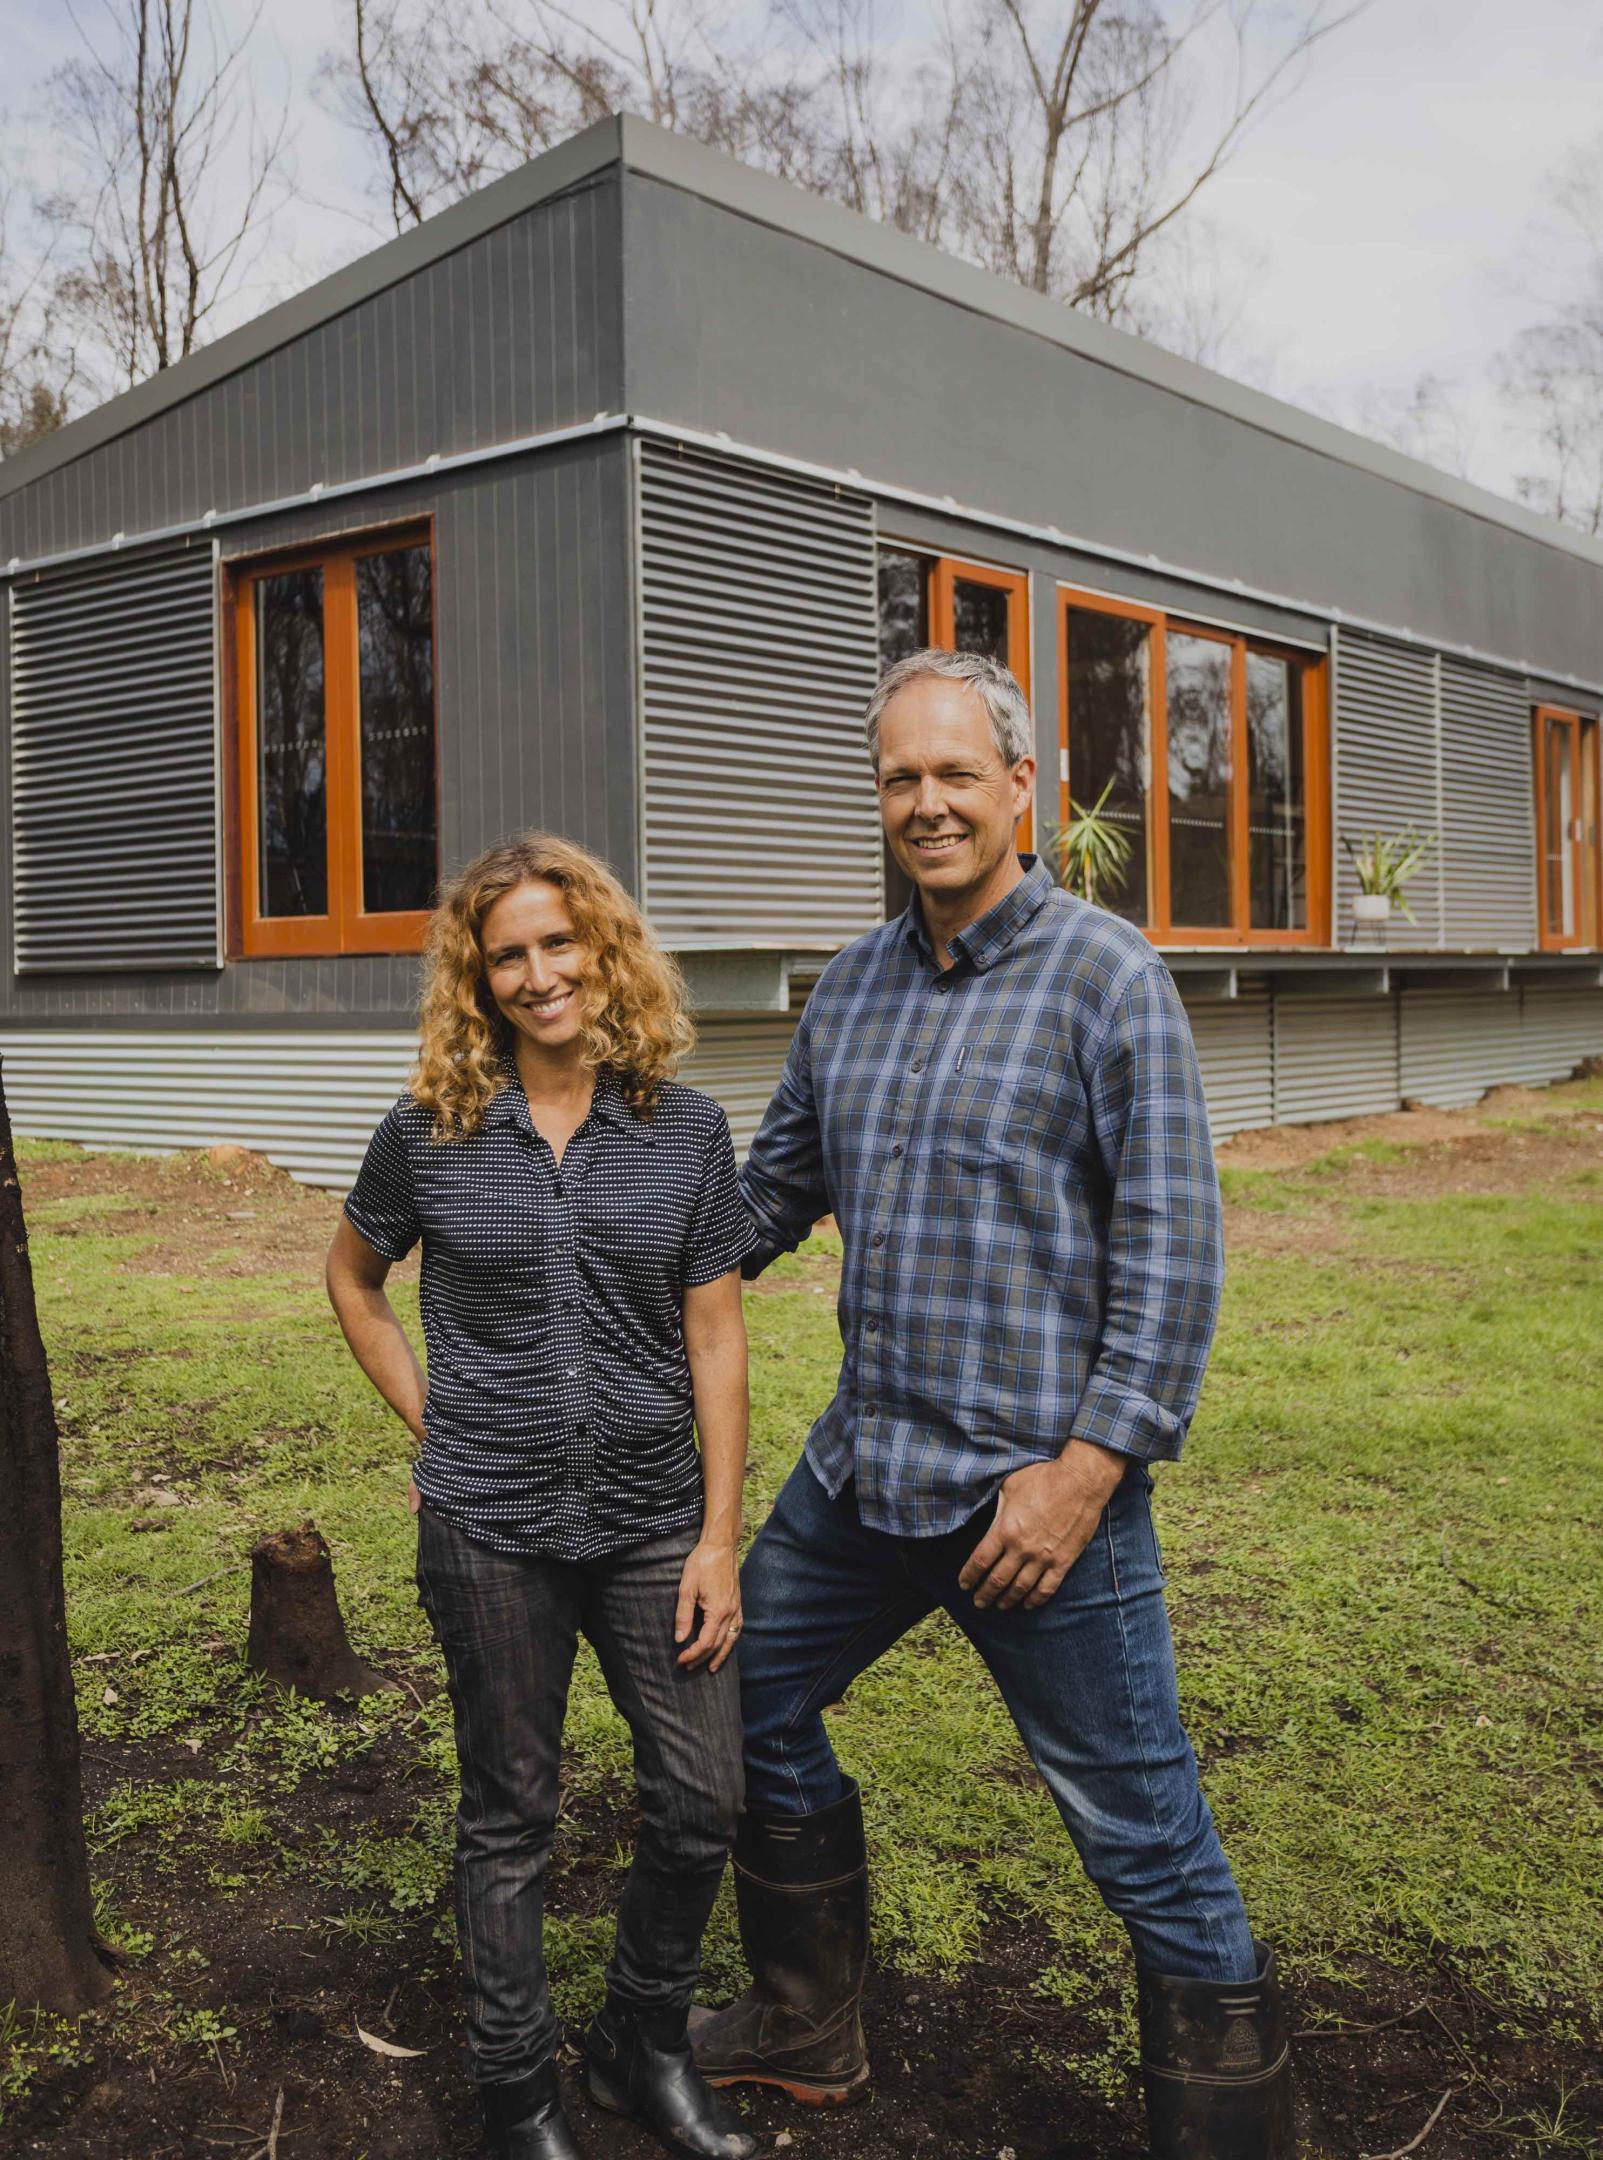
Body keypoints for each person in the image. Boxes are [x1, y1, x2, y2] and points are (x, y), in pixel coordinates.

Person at [690, 651, 1294, 2159]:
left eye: (957, 774)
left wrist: (1085, 1474)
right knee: (738, 1703)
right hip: (866, 1477)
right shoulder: (853, 990)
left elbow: (1174, 1252)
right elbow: (767, 1197)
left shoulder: (1108, 978)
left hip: (1040, 1504)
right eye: (901, 779)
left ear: (1022, 790)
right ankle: (808, 2023)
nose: (927, 803)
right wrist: (601, 1209)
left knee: (1142, 1833)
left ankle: (1230, 2132)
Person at [326, 834, 760, 2160]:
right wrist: (433, 1417)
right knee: (509, 1812)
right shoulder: (429, 1133)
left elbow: (718, 1337)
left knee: (701, 1799)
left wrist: (719, 1539)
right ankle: (516, 2091)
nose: (538, 974)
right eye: (507, 954)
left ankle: (645, 2043)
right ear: (477, 976)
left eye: (558, 945)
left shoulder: (682, 1129)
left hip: (647, 1520)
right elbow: (353, 1278)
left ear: (602, 950)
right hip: (490, 1531)